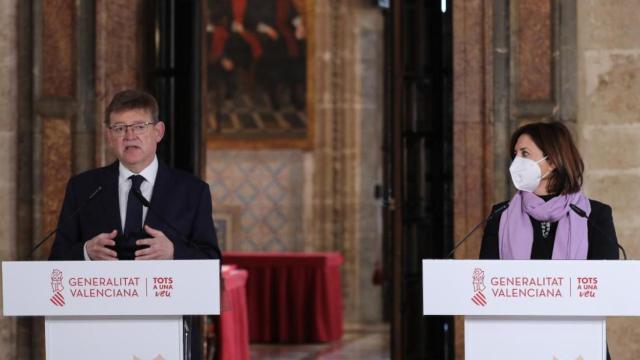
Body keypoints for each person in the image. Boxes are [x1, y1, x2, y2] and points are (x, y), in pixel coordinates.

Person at [49, 89, 221, 261]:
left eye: (139, 127)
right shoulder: (82, 188)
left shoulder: (193, 191)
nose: (129, 136)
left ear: (158, 132)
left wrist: (174, 252)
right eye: (119, 128)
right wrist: (86, 252)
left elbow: (212, 260)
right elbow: (56, 260)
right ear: (109, 136)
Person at [479, 121, 619, 260]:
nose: (516, 162)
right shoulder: (500, 214)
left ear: (552, 161)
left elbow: (607, 277)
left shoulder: (594, 216)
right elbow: (487, 275)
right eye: (515, 155)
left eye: (525, 154)